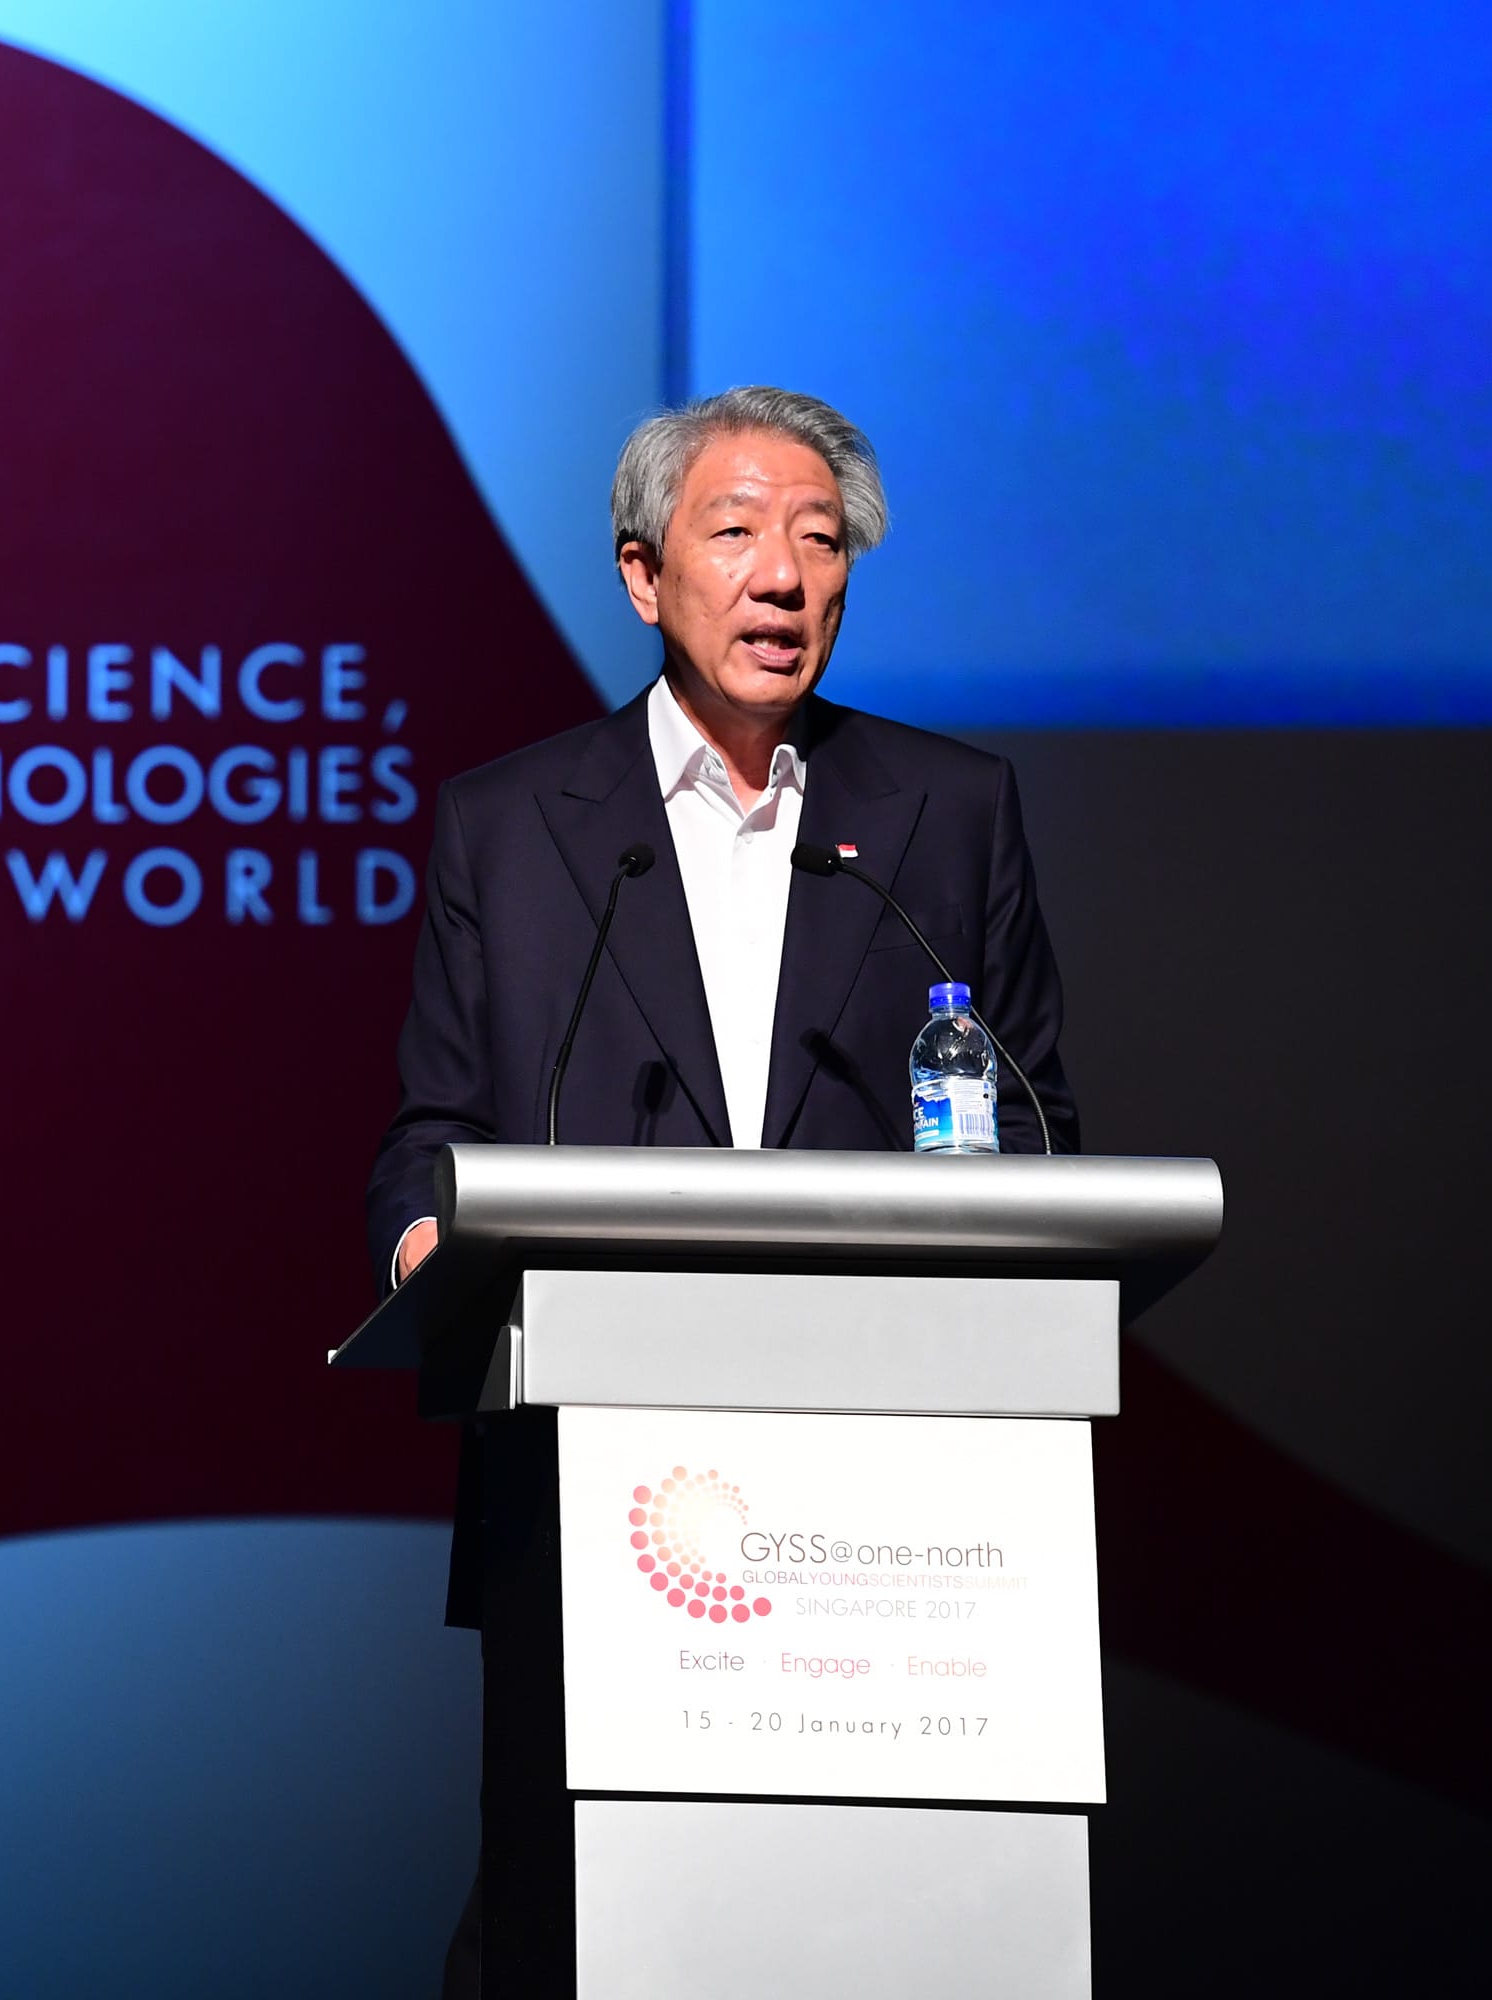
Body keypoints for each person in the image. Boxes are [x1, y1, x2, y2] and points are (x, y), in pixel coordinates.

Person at [364, 386, 1080, 1995]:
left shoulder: (947, 814)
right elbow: (434, 1127)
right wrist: (425, 1229)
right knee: (571, 1929)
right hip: (595, 1477)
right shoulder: (512, 827)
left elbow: (1034, 1123)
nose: (785, 578)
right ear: (642, 577)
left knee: (855, 1932)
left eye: (822, 543)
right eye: (739, 534)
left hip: (892, 1510)